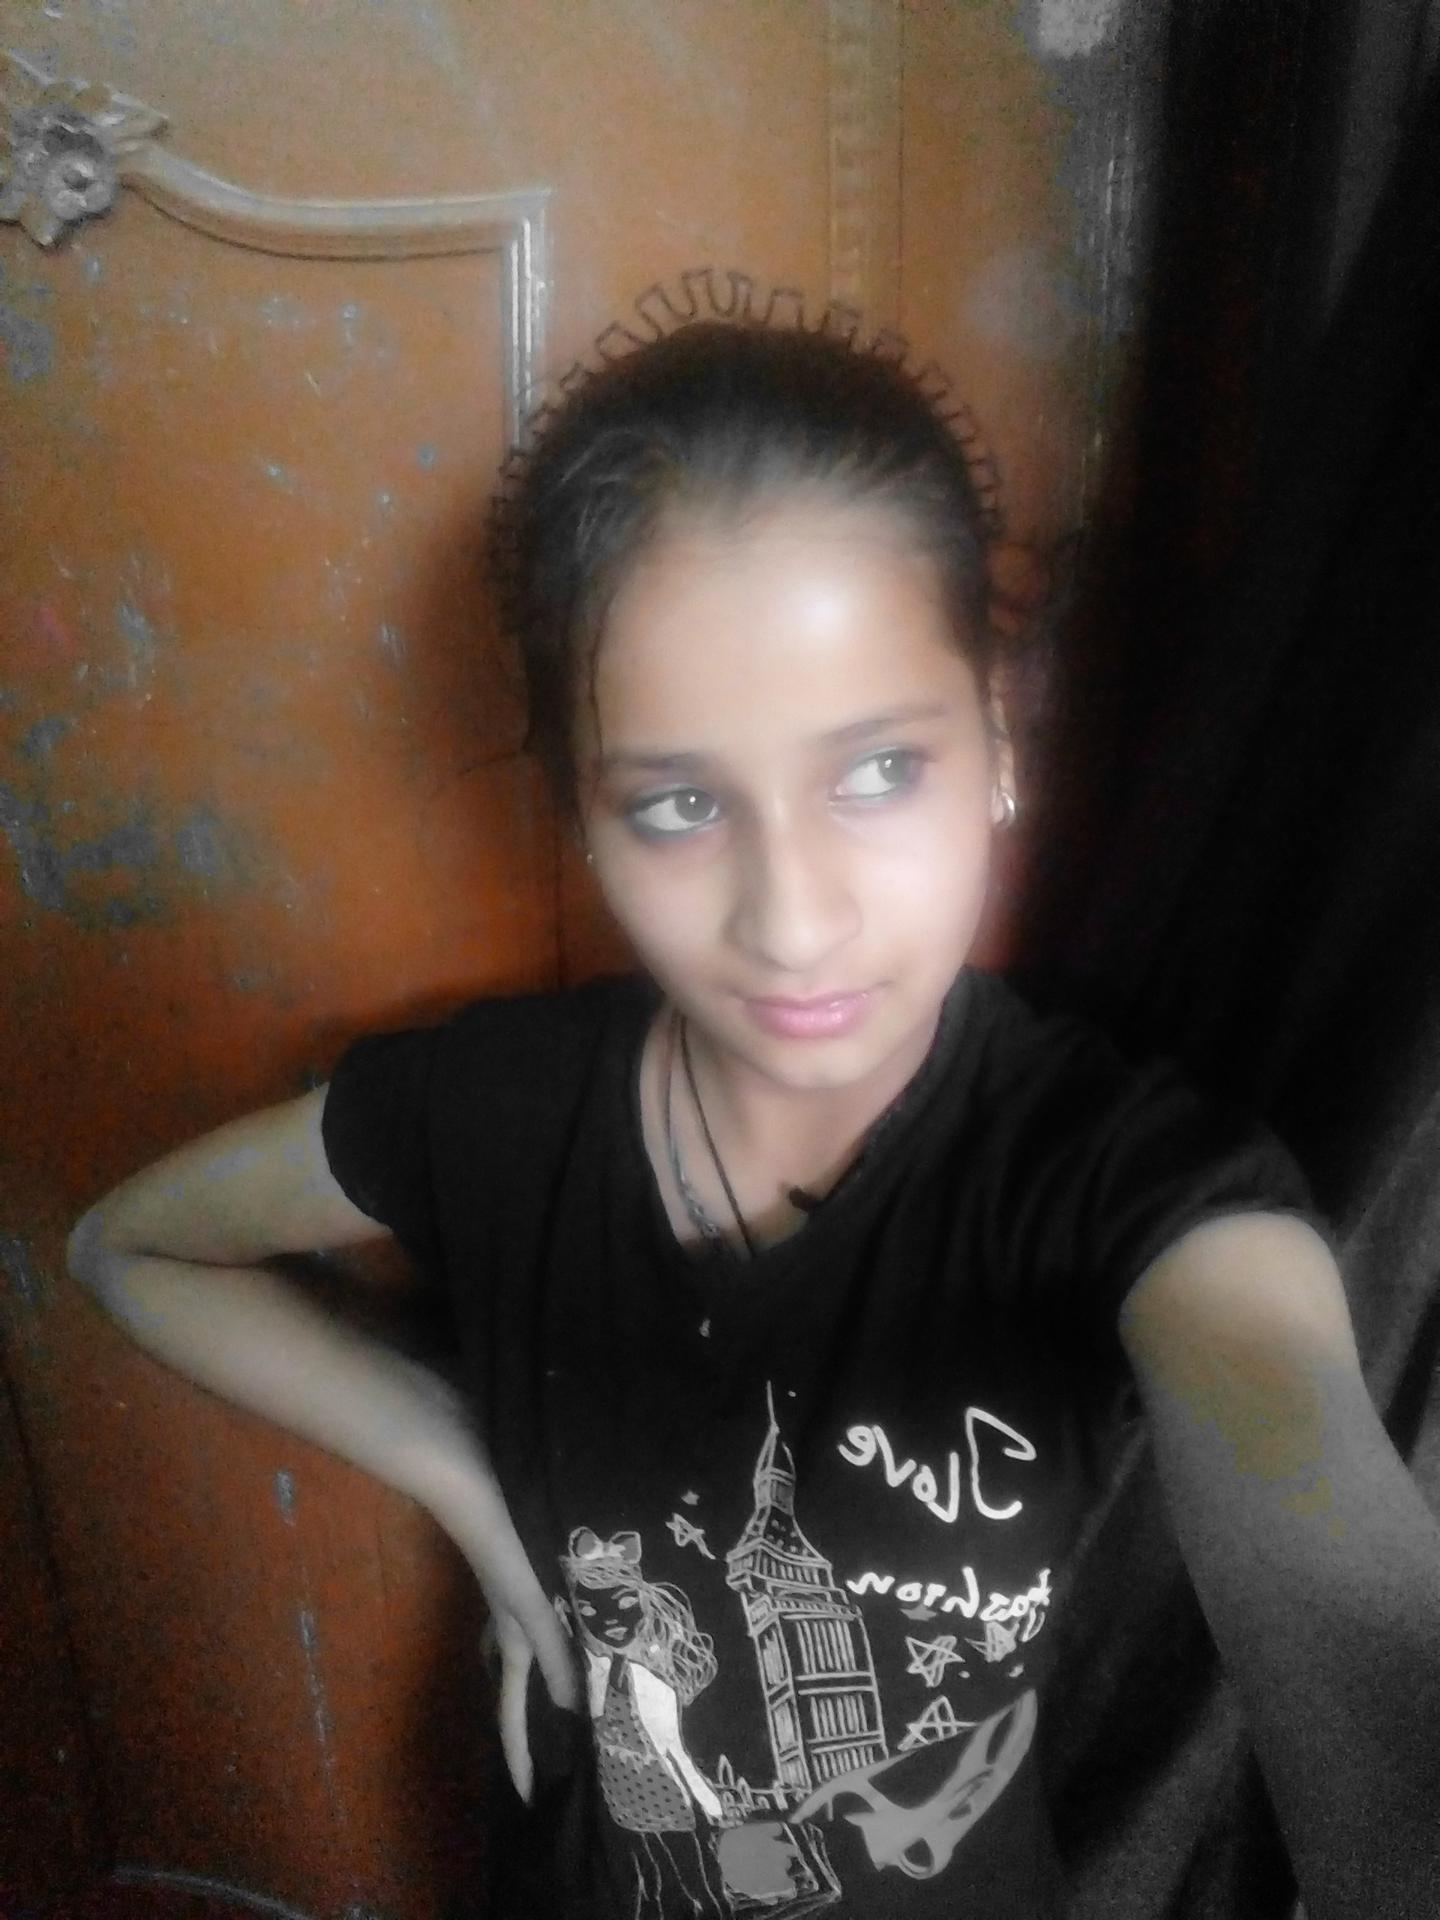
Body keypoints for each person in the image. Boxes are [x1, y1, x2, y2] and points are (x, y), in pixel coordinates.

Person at [67, 282, 1440, 1920]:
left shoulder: (1115, 1184)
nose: (793, 922)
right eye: (677, 807)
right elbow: (125, 1249)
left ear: (999, 742)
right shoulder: (499, 1116)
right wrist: (456, 1464)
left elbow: (1303, 1482)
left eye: (879, 772)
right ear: (580, 818)